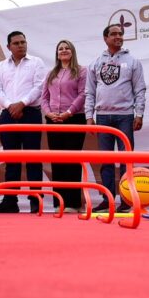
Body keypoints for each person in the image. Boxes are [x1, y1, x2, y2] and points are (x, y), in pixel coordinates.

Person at [85, 23, 146, 213]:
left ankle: (127, 199)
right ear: (105, 38)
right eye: (114, 34)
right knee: (106, 160)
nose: (118, 37)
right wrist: (89, 117)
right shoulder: (96, 62)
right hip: (102, 117)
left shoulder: (133, 61)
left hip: (125, 117)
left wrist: (139, 113)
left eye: (120, 34)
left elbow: (140, 89)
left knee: (126, 160)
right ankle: (108, 199)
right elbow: (90, 91)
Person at [0, 31, 46, 213]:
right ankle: (10, 200)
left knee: (33, 158)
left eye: (23, 42)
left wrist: (22, 104)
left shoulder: (36, 62)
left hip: (30, 113)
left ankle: (35, 199)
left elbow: (40, 87)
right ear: (8, 47)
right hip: (8, 114)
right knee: (11, 158)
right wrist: (9, 105)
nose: (21, 45)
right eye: (16, 43)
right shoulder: (1, 66)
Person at [41, 39, 87, 212]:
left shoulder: (81, 71)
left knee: (72, 161)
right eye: (60, 48)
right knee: (57, 161)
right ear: (57, 53)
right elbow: (43, 97)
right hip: (53, 120)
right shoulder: (51, 73)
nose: (64, 50)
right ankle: (59, 203)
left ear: (72, 51)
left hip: (74, 119)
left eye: (67, 48)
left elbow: (83, 94)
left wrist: (69, 112)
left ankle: (74, 204)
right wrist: (48, 113)